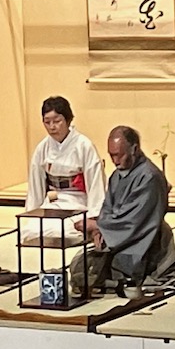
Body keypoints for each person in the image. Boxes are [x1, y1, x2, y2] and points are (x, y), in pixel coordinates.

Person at [77, 126, 175, 293]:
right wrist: (99, 231)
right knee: (80, 268)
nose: (115, 161)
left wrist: (99, 226)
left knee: (121, 269)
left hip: (144, 239)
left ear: (134, 149)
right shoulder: (116, 176)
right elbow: (107, 208)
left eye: (119, 155)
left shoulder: (150, 177)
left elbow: (134, 220)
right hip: (117, 237)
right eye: (111, 155)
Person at [23, 96, 106, 243]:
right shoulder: (43, 148)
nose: (52, 127)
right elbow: (35, 186)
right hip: (55, 203)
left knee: (66, 230)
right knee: (30, 230)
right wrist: (32, 212)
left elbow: (95, 183)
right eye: (47, 122)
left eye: (57, 121)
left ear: (68, 120)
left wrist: (94, 217)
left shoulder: (84, 145)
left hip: (79, 203)